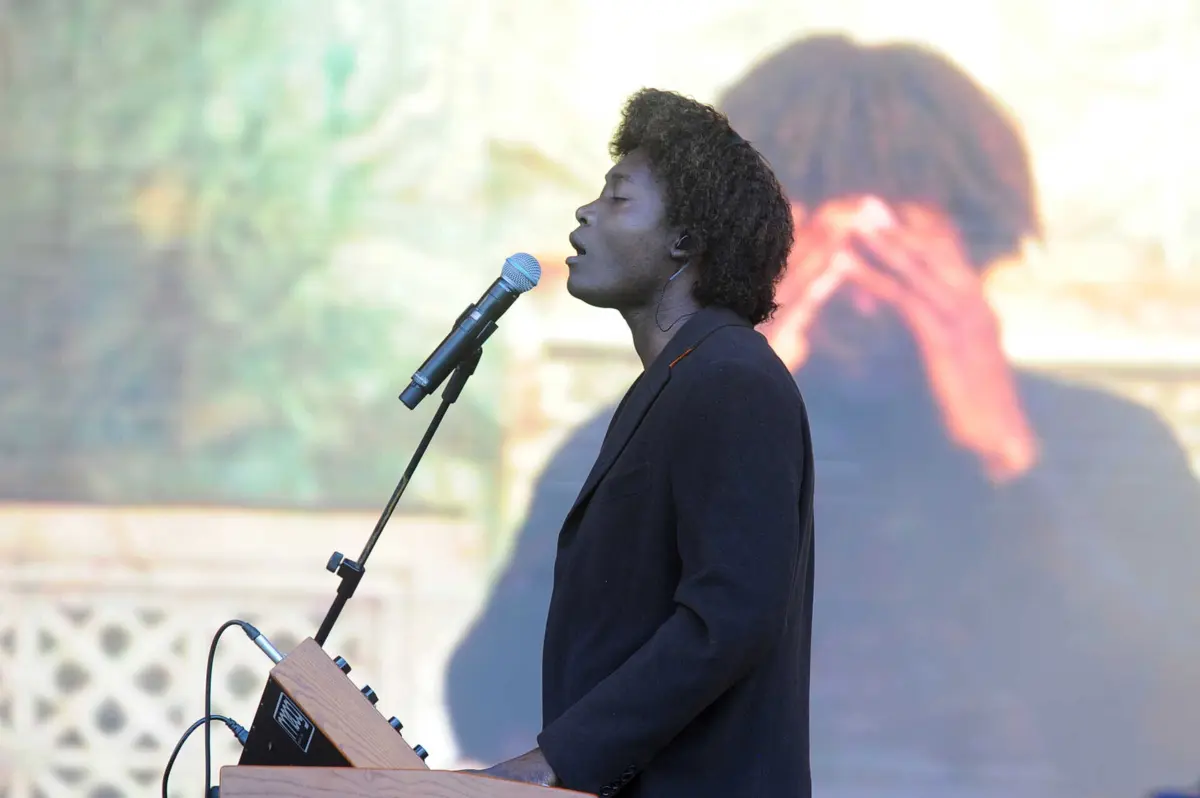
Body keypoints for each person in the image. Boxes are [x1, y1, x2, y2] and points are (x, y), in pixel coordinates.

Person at [450, 36, 1200, 797]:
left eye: (906, 209)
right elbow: (491, 698)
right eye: (814, 198)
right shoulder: (661, 412)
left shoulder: (1111, 445)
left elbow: (1165, 719)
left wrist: (1007, 454)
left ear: (977, 234)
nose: (858, 251)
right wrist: (749, 338)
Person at [466, 88, 814, 797]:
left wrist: (561, 758)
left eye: (619, 198)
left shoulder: (731, 378)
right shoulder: (682, 380)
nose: (585, 212)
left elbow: (731, 617)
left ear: (685, 239)